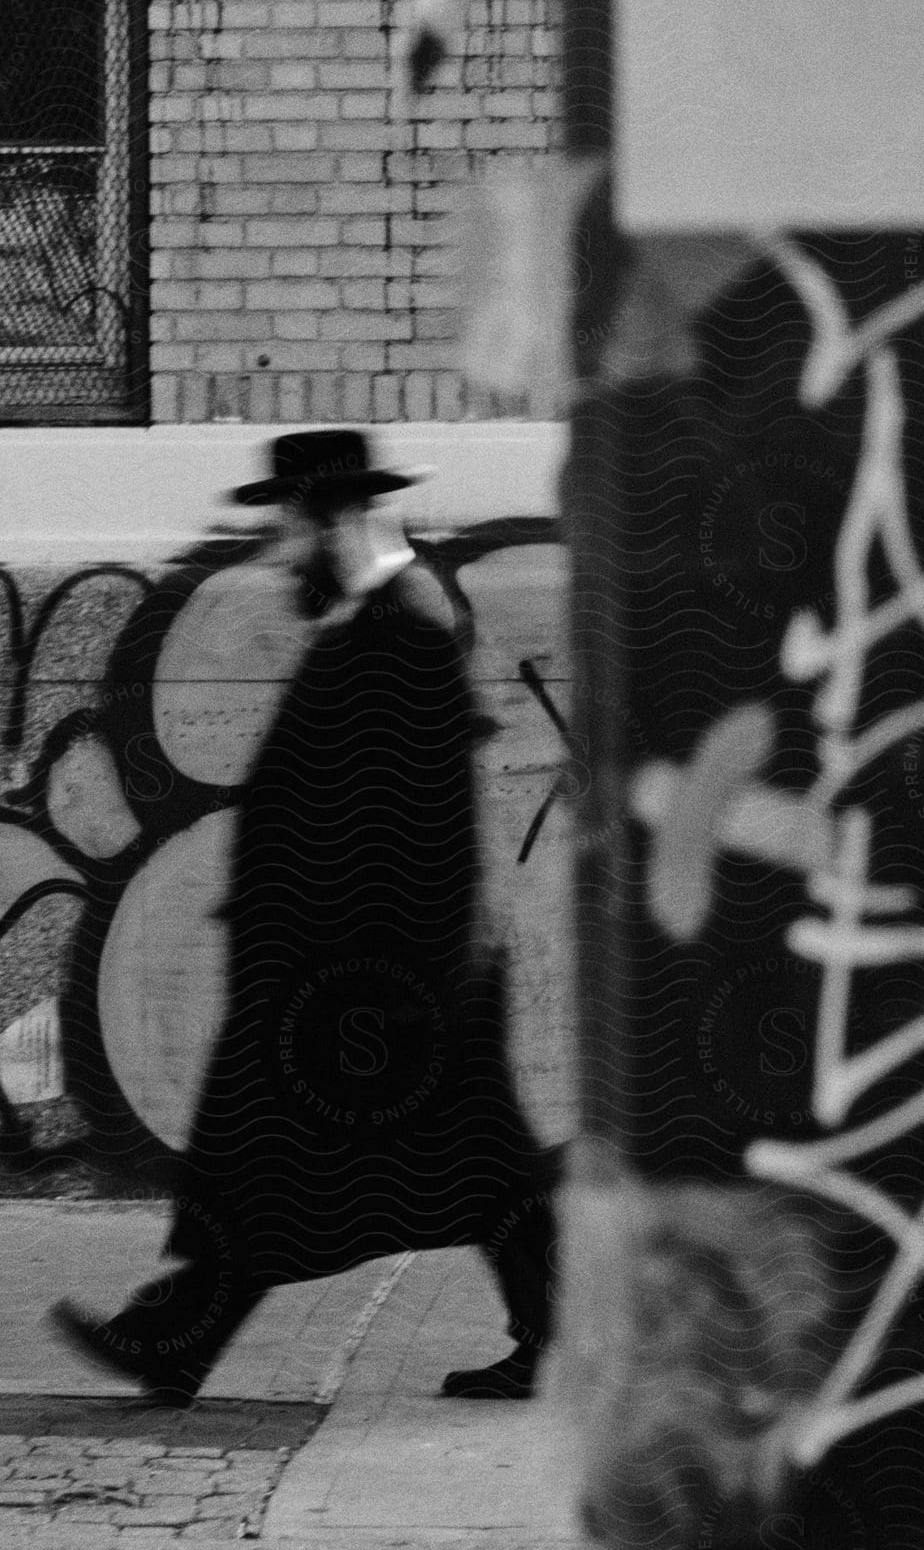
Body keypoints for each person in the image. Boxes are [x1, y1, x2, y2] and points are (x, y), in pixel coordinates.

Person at [50, 429, 558, 1406]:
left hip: (366, 985)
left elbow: (417, 829)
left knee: (278, 1165)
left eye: (288, 525)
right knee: (460, 1167)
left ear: (333, 521)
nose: (279, 550)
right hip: (365, 981)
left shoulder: (394, 643)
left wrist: (381, 983)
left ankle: (178, 1341)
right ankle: (554, 1333)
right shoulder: (374, 633)